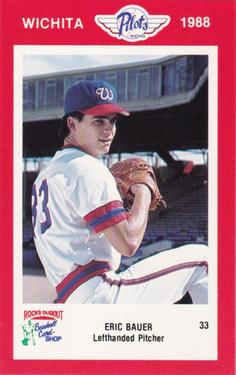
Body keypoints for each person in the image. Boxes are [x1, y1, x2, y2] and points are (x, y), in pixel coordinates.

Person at [32, 79, 208, 304]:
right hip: (102, 293)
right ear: (72, 124)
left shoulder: (46, 174)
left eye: (112, 121)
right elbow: (129, 243)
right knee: (205, 260)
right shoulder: (87, 167)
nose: (108, 130)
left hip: (69, 298)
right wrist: (143, 190)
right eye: (98, 121)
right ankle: (208, 336)